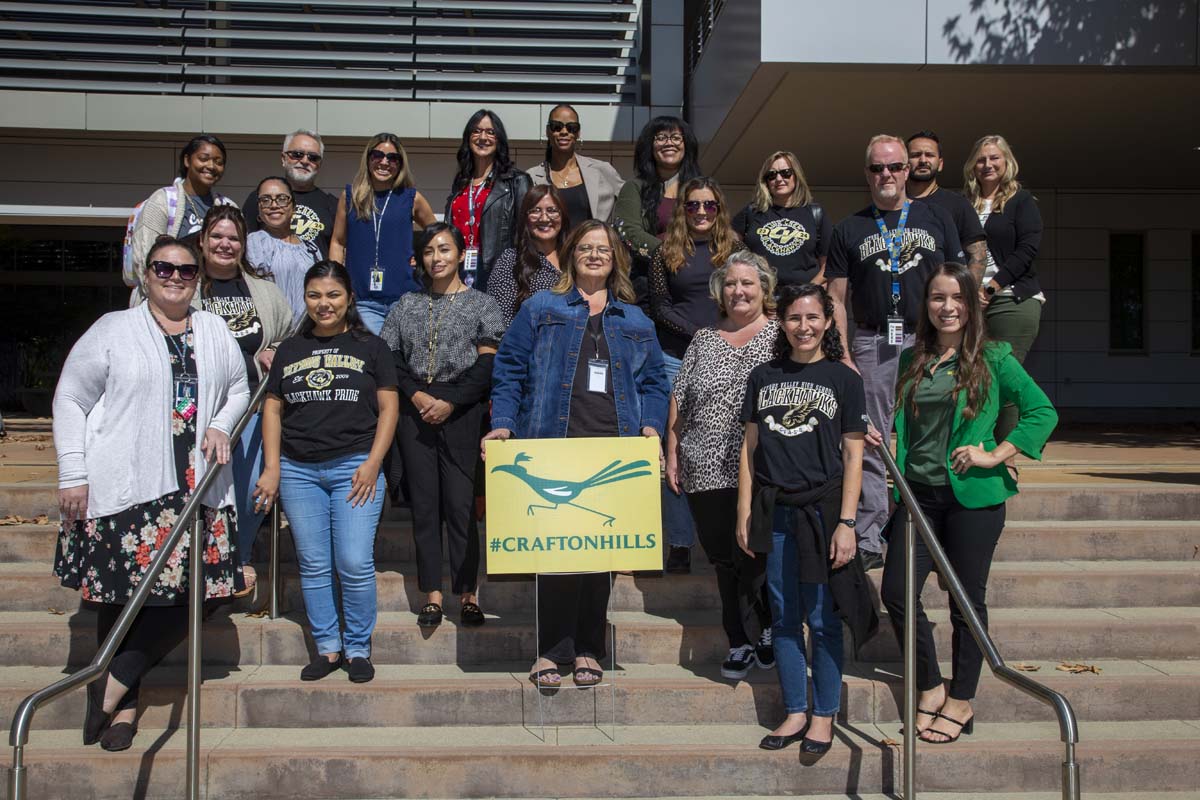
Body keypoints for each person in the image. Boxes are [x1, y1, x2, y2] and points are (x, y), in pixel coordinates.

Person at [54, 236, 249, 752]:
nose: (175, 277)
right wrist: (72, 472)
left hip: (198, 488)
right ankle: (126, 710)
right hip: (128, 487)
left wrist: (222, 424)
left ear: (199, 279)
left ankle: (108, 689)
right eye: (165, 268)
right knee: (120, 603)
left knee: (204, 594)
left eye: (187, 271)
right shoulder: (112, 330)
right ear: (146, 274)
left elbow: (239, 386)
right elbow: (71, 396)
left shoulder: (214, 330)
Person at [484, 220, 668, 689]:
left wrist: (650, 424)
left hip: (613, 448)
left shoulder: (635, 319)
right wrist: (503, 423)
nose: (593, 255)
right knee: (558, 555)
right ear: (571, 255)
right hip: (553, 444)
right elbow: (508, 368)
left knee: (600, 555)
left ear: (615, 259)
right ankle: (551, 650)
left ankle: (588, 647)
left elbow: (654, 383)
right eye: (585, 248)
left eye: (603, 249)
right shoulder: (540, 307)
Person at [881, 263, 1057, 744]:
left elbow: (1042, 410)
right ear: (927, 305)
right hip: (917, 496)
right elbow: (906, 429)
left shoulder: (995, 357)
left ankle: (961, 698)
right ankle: (931, 685)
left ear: (973, 303)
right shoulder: (911, 360)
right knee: (896, 593)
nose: (948, 307)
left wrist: (996, 453)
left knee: (965, 601)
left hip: (971, 497)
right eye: (938, 298)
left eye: (957, 297)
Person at [736, 282, 876, 754]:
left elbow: (855, 457)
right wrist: (744, 510)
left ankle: (823, 715)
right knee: (783, 616)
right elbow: (750, 448)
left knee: (821, 620)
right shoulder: (763, 376)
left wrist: (848, 522)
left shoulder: (844, 379)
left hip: (822, 513)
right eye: (795, 317)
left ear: (827, 322)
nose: (804, 327)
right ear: (782, 322)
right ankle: (796, 709)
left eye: (813, 317)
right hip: (774, 512)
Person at [255, 261, 400, 684]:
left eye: (333, 294)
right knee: (314, 564)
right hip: (299, 471)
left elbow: (390, 409)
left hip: (355, 466)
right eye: (315, 295)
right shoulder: (290, 349)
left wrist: (374, 463)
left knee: (354, 560)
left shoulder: (372, 347)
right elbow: (273, 408)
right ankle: (328, 647)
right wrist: (271, 467)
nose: (324, 303)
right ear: (305, 298)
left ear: (349, 298)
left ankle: (357, 648)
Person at [825, 134, 964, 570]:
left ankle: (938, 533)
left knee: (937, 433)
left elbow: (959, 283)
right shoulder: (849, 228)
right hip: (873, 342)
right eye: (877, 168)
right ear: (867, 173)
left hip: (932, 341)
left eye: (895, 166)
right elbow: (835, 296)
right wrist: (844, 353)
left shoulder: (938, 217)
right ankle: (869, 535)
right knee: (870, 439)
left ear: (909, 169)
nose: (887, 175)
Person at [381, 223, 504, 629]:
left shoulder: (483, 304)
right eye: (429, 251)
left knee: (461, 505)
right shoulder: (404, 305)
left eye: (445, 249)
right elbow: (390, 360)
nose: (437, 258)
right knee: (426, 506)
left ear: (460, 254)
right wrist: (417, 396)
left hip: (462, 411)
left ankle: (468, 593)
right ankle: (432, 594)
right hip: (415, 410)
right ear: (419, 258)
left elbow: (487, 364)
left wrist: (451, 401)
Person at [666, 250, 778, 679]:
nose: (738, 291)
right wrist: (672, 448)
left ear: (763, 289)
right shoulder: (704, 338)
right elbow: (680, 396)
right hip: (705, 465)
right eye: (730, 284)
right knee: (723, 559)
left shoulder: (779, 336)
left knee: (755, 554)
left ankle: (766, 628)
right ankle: (739, 639)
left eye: (747, 283)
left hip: (762, 467)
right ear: (719, 291)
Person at [195, 206, 294, 597]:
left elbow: (291, 336)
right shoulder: (186, 283)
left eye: (233, 238)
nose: (225, 244)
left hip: (254, 405)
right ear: (202, 241)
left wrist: (276, 349)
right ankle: (201, 558)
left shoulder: (264, 291)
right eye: (217, 236)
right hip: (201, 408)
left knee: (256, 483)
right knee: (201, 487)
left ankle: (235, 558)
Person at [649, 176, 736, 572]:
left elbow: (748, 297)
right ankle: (681, 541)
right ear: (682, 209)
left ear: (719, 208)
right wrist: (699, 335)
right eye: (693, 205)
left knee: (729, 437)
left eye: (710, 204)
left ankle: (733, 528)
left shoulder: (736, 249)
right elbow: (660, 305)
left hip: (728, 356)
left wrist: (720, 337)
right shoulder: (665, 250)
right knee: (675, 445)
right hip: (676, 356)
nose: (702, 212)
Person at [962, 135, 1045, 452]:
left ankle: (1005, 457)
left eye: (995, 158)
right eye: (981, 159)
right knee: (973, 378)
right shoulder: (965, 204)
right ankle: (976, 449)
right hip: (973, 302)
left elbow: (1027, 250)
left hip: (1012, 299)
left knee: (1005, 377)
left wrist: (992, 287)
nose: (987, 165)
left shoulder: (1020, 201)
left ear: (1007, 162)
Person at [330, 133, 439, 334]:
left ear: (400, 164)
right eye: (378, 155)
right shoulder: (350, 196)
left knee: (405, 361)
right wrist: (336, 284)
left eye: (392, 158)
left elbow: (438, 235)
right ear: (368, 158)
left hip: (405, 298)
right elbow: (337, 242)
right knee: (374, 356)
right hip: (363, 300)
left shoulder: (411, 198)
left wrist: (422, 256)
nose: (384, 162)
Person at [126, 134, 236, 299]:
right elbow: (145, 256)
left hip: (214, 299)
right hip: (165, 297)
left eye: (219, 162)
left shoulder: (228, 206)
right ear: (187, 160)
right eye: (203, 158)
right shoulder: (162, 200)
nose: (211, 166)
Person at [614, 116, 702, 306]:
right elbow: (627, 230)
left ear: (686, 145)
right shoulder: (634, 187)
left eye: (676, 138)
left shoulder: (701, 188)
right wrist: (672, 255)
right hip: (648, 284)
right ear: (650, 146)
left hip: (696, 283)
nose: (669, 143)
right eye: (661, 137)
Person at [444, 109, 533, 291]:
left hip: (498, 274)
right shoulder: (461, 182)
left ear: (499, 140)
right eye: (476, 131)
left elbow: (526, 235)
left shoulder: (516, 181)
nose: (483, 137)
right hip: (460, 272)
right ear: (468, 138)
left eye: (490, 132)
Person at [731, 151, 831, 287]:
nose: (778, 179)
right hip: (763, 298)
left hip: (802, 299)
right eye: (772, 175)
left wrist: (809, 290)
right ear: (765, 181)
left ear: (796, 175)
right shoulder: (753, 211)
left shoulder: (815, 213)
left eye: (786, 173)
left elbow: (828, 264)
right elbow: (726, 246)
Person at [905, 131, 988, 281]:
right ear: (904, 163)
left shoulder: (957, 204)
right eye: (916, 155)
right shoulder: (894, 204)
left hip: (942, 300)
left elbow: (978, 257)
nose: (923, 160)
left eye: (930, 155)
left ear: (940, 163)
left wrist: (963, 297)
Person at [525, 104, 624, 229]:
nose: (564, 132)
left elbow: (631, 203)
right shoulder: (531, 177)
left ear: (578, 133)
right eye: (557, 127)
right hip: (552, 248)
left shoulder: (602, 170)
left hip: (590, 246)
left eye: (572, 128)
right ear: (548, 131)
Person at [243, 130, 339, 258]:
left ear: (319, 164)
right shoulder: (260, 198)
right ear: (283, 159)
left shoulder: (332, 205)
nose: (305, 161)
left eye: (313, 157)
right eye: (297, 154)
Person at [486, 185, 569, 328]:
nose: (544, 218)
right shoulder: (510, 261)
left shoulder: (575, 259)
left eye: (552, 210)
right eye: (535, 211)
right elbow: (498, 322)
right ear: (525, 217)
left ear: (562, 216)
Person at [246, 176, 319, 320]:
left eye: (282, 198)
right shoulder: (255, 243)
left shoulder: (310, 246)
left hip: (310, 332)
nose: (274, 205)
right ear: (259, 209)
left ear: (293, 206)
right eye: (265, 200)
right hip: (276, 333)